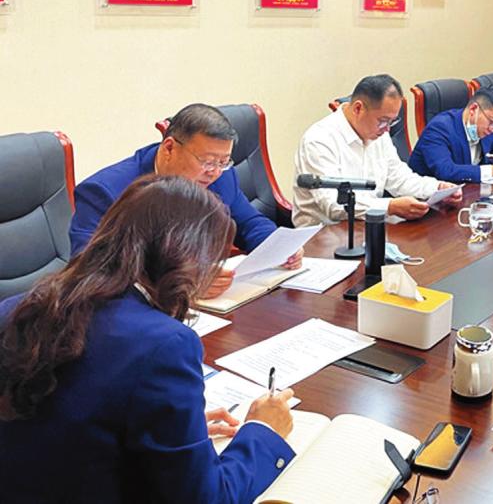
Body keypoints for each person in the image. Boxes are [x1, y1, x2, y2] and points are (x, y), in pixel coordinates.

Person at [0, 175, 297, 503]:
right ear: (187, 258)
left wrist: (173, 434)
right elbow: (207, 499)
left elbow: (68, 414)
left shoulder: (14, 309)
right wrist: (263, 431)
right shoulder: (165, 345)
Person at [69, 103, 301, 299]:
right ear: (169, 148)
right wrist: (180, 283)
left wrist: (279, 247)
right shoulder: (105, 192)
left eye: (223, 162)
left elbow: (248, 222)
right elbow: (90, 271)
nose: (214, 172)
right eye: (207, 161)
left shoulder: (221, 176)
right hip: (142, 311)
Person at [293, 74, 462, 226]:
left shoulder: (379, 134)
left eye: (392, 122)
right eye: (383, 121)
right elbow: (334, 206)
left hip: (368, 225)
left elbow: (399, 178)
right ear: (358, 108)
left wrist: (437, 188)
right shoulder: (319, 140)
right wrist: (390, 207)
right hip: (323, 236)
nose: (387, 129)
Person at [408, 86, 493, 183]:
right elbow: (446, 171)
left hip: (468, 193)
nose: (492, 129)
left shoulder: (486, 131)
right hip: (427, 197)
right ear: (473, 109)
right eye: (491, 121)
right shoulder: (439, 128)